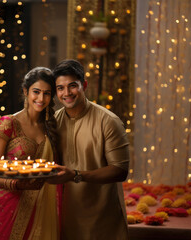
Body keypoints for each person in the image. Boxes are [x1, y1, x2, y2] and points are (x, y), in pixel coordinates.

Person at [48, 59, 130, 240]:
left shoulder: (108, 121)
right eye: (60, 88)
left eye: (72, 86)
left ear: (84, 85)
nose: (66, 93)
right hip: (65, 219)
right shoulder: (53, 122)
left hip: (103, 220)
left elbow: (120, 170)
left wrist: (77, 175)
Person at [0, 67, 61, 240]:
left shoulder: (52, 126)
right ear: (26, 91)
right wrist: (16, 184)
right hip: (10, 203)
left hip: (43, 205)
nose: (41, 99)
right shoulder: (8, 123)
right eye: (36, 92)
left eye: (47, 93)